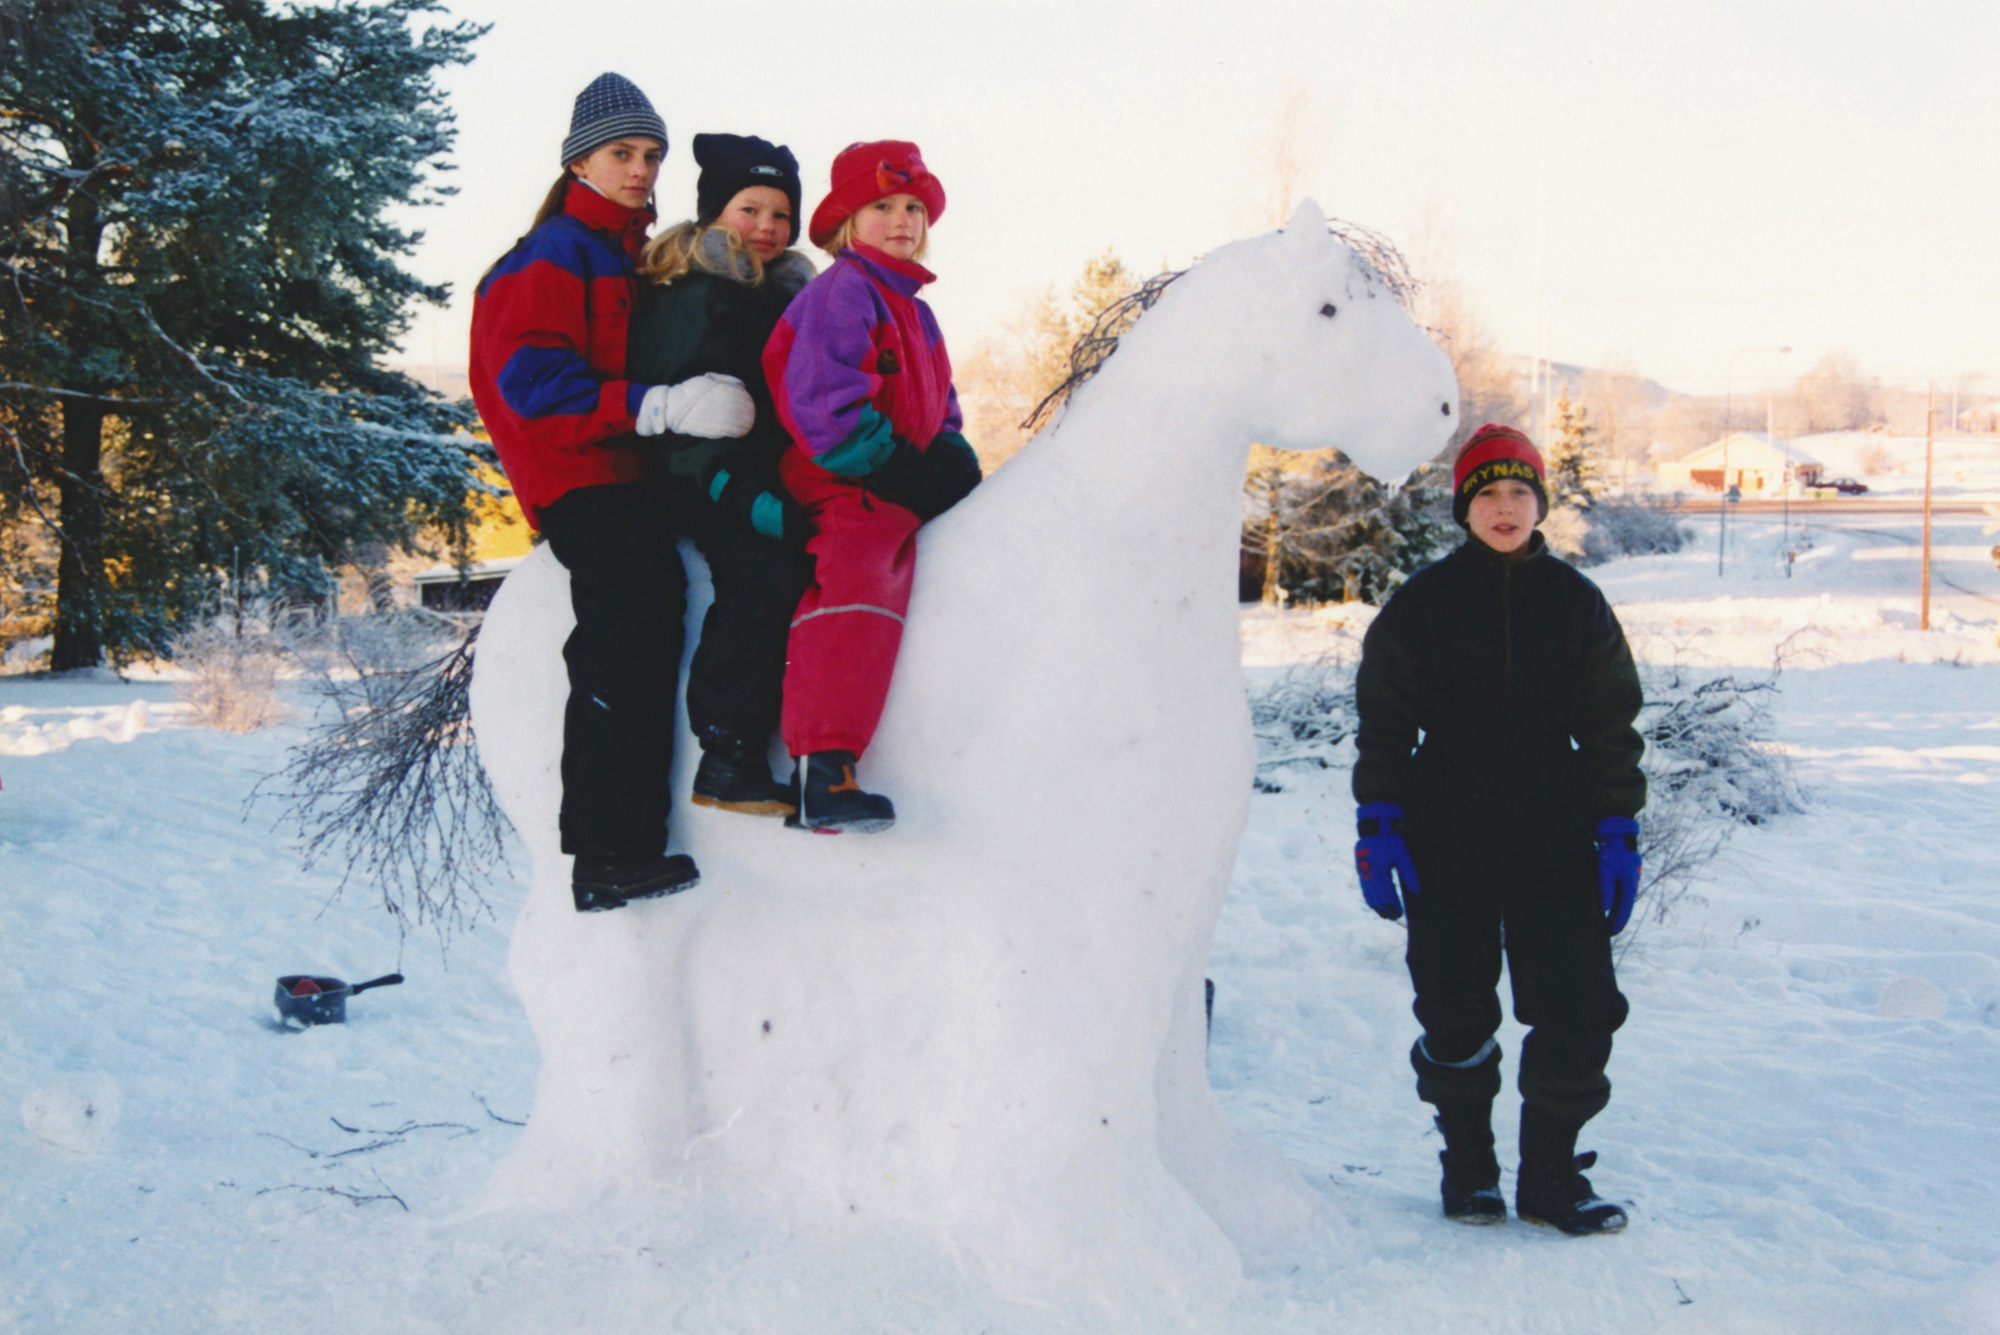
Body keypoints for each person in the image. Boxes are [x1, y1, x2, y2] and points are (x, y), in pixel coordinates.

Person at [469, 73, 757, 912]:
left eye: (651, 155)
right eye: (622, 153)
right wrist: (660, 407)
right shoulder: (550, 256)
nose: (641, 169)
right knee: (630, 614)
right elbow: (536, 390)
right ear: (579, 162)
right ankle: (607, 853)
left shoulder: (624, 255)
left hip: (631, 471)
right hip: (580, 480)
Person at [1351, 423, 1646, 1235]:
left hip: (1555, 836)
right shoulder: (1423, 605)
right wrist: (1379, 820)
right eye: (1488, 493)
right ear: (1465, 507)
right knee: (1454, 1010)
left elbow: (1612, 724)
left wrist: (1618, 824)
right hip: (1447, 837)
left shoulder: (1577, 603)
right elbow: (1383, 722)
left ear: (1541, 502)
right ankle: (1469, 1169)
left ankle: (1552, 1177)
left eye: (1520, 492)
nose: (1505, 507)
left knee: (1580, 1007)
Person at [760, 140, 983, 833]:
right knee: (861, 567)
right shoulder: (843, 293)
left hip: (897, 475)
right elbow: (826, 408)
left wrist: (950, 456)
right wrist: (899, 470)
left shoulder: (915, 310)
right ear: (844, 223)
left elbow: (941, 403)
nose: (902, 220)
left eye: (914, 206)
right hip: (841, 477)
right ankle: (824, 766)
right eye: (882, 206)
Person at [626, 133, 817, 817]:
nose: (766, 226)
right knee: (762, 568)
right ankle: (728, 751)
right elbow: (686, 417)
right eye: (749, 208)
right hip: (695, 473)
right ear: (714, 213)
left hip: (762, 467)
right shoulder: (694, 294)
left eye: (780, 214)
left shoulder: (781, 295)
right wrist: (732, 488)